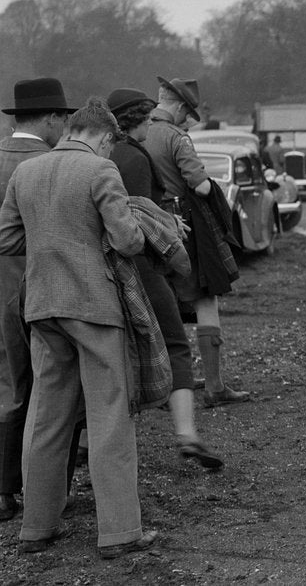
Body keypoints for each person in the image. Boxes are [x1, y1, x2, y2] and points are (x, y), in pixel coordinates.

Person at [0, 98, 158, 557]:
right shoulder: (100, 172)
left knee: (47, 418)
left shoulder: (26, 173)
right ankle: (120, 532)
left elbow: (7, 239)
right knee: (111, 417)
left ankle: (36, 527)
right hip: (94, 307)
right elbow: (127, 240)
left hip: (43, 307)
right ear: (104, 137)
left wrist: (49, 241)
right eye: (110, 146)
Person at [106, 88, 222, 469]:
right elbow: (135, 216)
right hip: (141, 267)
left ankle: (92, 442)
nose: (149, 128)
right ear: (135, 122)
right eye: (145, 122)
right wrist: (169, 224)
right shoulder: (133, 157)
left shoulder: (104, 154)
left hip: (109, 269)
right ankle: (187, 434)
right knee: (175, 343)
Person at [145, 76, 250, 408]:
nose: (188, 119)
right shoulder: (177, 138)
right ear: (176, 106)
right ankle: (215, 386)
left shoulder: (138, 133)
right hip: (184, 228)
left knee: (161, 306)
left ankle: (166, 388)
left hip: (148, 225)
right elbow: (201, 187)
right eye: (187, 111)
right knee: (206, 300)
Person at [0, 78, 78, 523]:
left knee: (7, 385)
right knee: (55, 387)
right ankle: (49, 494)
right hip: (44, 284)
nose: (64, 128)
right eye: (63, 119)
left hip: (0, 286)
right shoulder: (51, 163)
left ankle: (3, 491)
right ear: (50, 118)